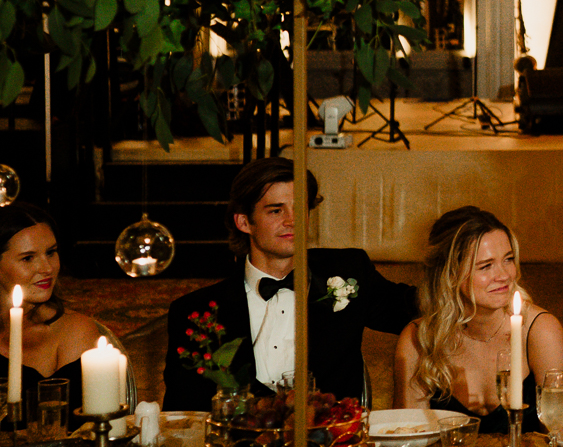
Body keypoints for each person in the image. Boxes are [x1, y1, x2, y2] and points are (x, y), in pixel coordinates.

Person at [162, 155, 416, 411]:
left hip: (331, 443)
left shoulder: (349, 272)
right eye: (276, 210)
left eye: (299, 207)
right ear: (244, 222)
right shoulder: (197, 312)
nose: (292, 220)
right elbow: (182, 410)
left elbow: (420, 309)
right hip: (239, 446)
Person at [0, 203, 127, 412]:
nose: (47, 268)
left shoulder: (74, 331)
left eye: (51, 252)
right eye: (28, 258)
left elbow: (79, 425)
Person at [393, 206, 563, 433]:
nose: (504, 275)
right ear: (450, 274)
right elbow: (408, 444)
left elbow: (562, 438)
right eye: (486, 266)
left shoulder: (540, 331)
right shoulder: (418, 340)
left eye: (508, 259)